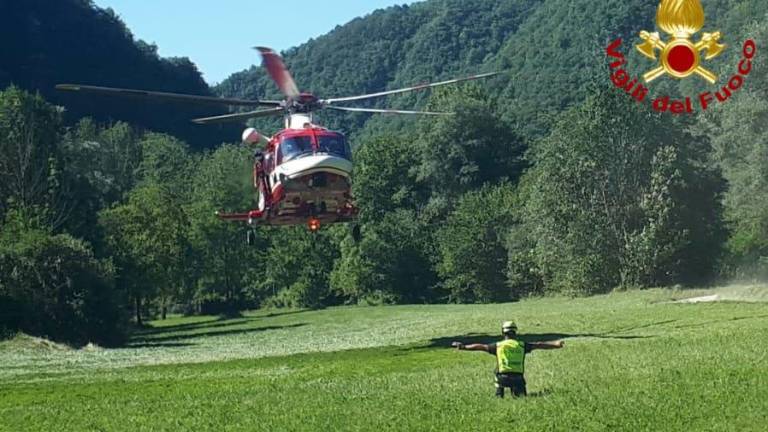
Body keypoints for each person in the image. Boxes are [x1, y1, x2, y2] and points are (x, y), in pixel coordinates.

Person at [452, 321, 564, 398]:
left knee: (496, 372)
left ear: (503, 332)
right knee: (520, 398)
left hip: (502, 378)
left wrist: (464, 347)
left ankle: (499, 393)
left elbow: (480, 346)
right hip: (518, 379)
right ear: (515, 332)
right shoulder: (522, 345)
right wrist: (556, 344)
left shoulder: (498, 346)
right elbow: (539, 345)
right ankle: (515, 392)